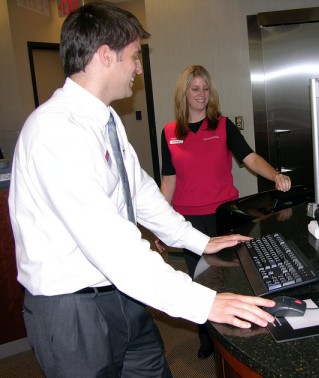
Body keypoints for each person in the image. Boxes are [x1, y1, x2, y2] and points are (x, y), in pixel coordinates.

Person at [8, 3, 275, 377]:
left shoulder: (106, 120)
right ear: (105, 56)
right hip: (73, 309)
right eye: (134, 57)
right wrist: (204, 302)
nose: (137, 68)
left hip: (122, 291)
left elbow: (143, 194)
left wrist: (197, 240)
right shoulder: (56, 132)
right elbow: (111, 244)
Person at [160, 64, 291, 358]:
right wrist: (160, 223)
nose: (201, 95)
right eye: (195, 89)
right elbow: (168, 181)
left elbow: (250, 157)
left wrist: (275, 176)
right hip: (188, 223)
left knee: (229, 280)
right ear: (184, 93)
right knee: (200, 285)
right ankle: (208, 339)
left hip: (223, 217)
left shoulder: (222, 125)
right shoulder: (169, 133)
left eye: (206, 89)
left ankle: (236, 340)